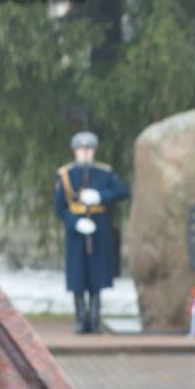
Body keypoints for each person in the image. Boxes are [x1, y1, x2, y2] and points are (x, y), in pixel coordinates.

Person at [54, 132, 130, 333]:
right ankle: (81, 319)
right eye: (81, 150)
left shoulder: (104, 173)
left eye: (89, 150)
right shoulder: (65, 175)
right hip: (76, 231)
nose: (85, 154)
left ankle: (95, 318)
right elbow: (59, 208)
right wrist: (75, 222)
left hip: (99, 227)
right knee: (78, 274)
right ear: (75, 151)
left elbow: (123, 191)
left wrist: (100, 196)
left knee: (97, 274)